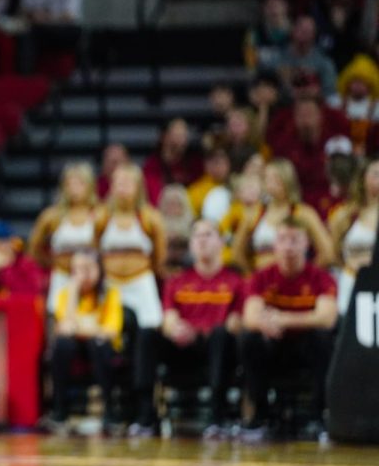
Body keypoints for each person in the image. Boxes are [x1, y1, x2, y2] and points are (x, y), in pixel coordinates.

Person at [130, 220, 244, 438]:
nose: (202, 240)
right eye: (197, 236)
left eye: (208, 235)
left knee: (221, 336)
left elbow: (235, 323)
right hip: (183, 346)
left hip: (216, 347)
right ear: (191, 244)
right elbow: (168, 318)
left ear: (221, 242)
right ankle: (145, 416)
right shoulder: (178, 281)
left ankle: (218, 417)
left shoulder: (235, 281)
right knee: (147, 333)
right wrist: (175, 329)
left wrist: (202, 332)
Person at [239, 219, 338, 442]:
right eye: (283, 239)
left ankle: (317, 417)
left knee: (322, 338)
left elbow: (326, 318)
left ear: (307, 244)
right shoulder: (262, 276)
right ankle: (260, 416)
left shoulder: (321, 278)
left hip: (306, 349)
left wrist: (283, 318)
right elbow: (250, 316)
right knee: (248, 339)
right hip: (274, 346)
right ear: (275, 245)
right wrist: (267, 323)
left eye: (295, 240)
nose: (288, 246)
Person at [48, 249, 123, 433]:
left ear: (99, 270)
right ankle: (60, 409)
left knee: (98, 344)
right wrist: (74, 290)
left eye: (88, 268)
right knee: (62, 345)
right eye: (77, 269)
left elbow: (111, 331)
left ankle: (110, 409)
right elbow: (65, 328)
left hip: (102, 349)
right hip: (76, 348)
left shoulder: (110, 293)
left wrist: (80, 328)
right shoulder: (66, 294)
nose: (83, 274)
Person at [232, 158, 334, 273]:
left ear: (287, 180)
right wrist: (251, 278)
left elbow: (328, 253)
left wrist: (308, 276)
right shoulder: (254, 213)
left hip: (295, 283)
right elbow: (236, 253)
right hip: (263, 284)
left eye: (276, 178)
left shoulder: (304, 213)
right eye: (267, 178)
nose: (270, 183)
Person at [98, 163, 167, 331]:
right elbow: (95, 249)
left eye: (127, 183)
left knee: (150, 326)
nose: (122, 188)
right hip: (111, 283)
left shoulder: (150, 217)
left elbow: (160, 255)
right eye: (118, 183)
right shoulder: (101, 216)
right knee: (108, 328)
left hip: (141, 281)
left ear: (138, 187)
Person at [28, 162, 99, 312]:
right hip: (61, 276)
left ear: (90, 186)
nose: (74, 189)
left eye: (79, 184)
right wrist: (52, 262)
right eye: (69, 184)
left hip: (91, 281)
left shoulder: (99, 214)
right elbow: (34, 247)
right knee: (58, 317)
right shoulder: (52, 216)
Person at [328, 158, 379, 317]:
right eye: (376, 174)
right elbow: (334, 252)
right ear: (363, 178)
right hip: (351, 280)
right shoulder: (346, 215)